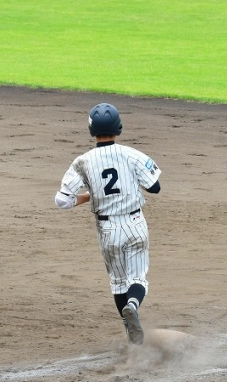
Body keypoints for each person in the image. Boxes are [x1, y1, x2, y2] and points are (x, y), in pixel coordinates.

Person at [55, 103, 162, 345]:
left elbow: (62, 201)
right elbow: (155, 187)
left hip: (108, 230)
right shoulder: (131, 154)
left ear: (92, 129)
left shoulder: (82, 162)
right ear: (118, 127)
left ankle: (129, 330)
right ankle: (133, 304)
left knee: (118, 282)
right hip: (135, 223)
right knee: (138, 279)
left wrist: (89, 196)